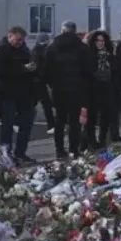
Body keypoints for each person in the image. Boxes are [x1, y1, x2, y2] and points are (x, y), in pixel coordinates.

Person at [45, 21, 91, 158]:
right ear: (74, 31)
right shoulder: (82, 48)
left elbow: (47, 69)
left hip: (59, 89)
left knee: (59, 120)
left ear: (62, 30)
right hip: (77, 89)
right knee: (74, 121)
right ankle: (73, 149)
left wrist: (53, 84)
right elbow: (87, 70)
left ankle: (59, 149)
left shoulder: (53, 47)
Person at [0, 26, 37, 164]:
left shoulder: (24, 50)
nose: (20, 42)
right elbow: (1, 72)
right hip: (8, 93)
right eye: (18, 39)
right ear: (10, 36)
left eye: (22, 40)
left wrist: (32, 69)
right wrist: (23, 69)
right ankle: (6, 154)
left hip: (24, 94)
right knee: (8, 125)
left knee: (26, 123)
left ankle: (21, 153)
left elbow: (28, 69)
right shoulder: (2, 51)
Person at [84, 30, 118, 147]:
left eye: (102, 41)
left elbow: (115, 72)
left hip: (107, 89)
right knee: (91, 118)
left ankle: (103, 139)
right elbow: (87, 72)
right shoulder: (89, 55)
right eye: (98, 40)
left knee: (106, 117)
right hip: (93, 90)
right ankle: (91, 141)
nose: (101, 43)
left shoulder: (110, 56)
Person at [29, 33, 56, 135]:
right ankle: (51, 125)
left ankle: (18, 122)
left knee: (34, 103)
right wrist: (46, 77)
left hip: (36, 81)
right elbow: (40, 67)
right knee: (46, 103)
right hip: (39, 81)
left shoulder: (35, 50)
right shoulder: (40, 51)